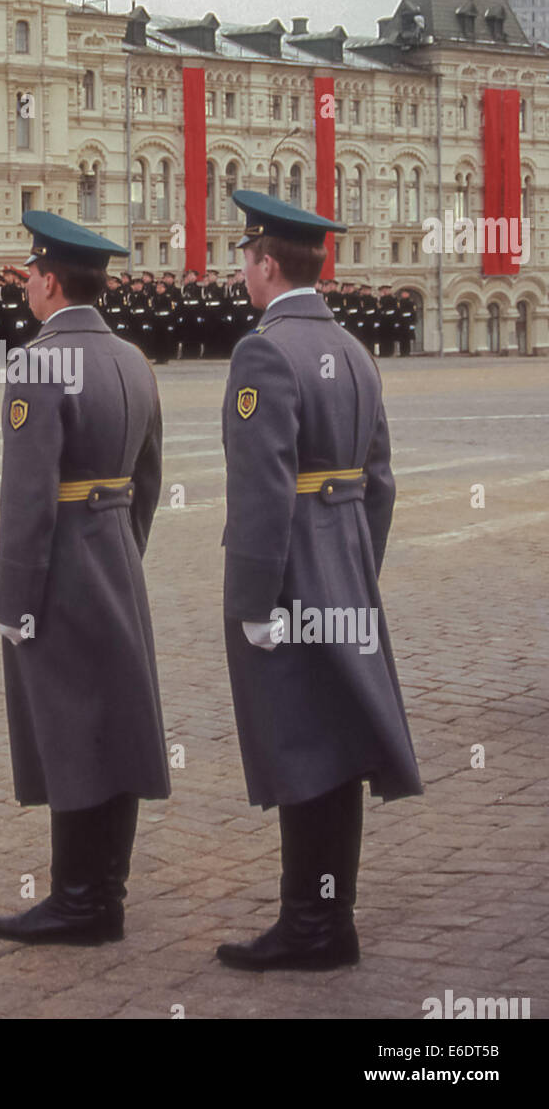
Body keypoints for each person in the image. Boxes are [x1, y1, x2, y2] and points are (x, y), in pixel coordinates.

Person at [216, 190, 422, 970]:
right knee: (335, 742)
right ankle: (328, 919)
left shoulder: (263, 351)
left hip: (292, 571)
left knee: (300, 740)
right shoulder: (357, 349)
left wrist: (254, 601)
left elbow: (263, 490)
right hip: (342, 563)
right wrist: (355, 564)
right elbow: (382, 481)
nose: (242, 270)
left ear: (267, 264)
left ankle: (311, 926)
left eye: (246, 257)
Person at [0, 210, 170, 946]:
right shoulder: (133, 358)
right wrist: (122, 546)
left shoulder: (36, 361)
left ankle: (76, 899)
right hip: (116, 551)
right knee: (116, 721)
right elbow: (150, 478)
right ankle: (106, 891)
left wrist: (12, 599)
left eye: (31, 272)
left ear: (52, 280)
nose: (26, 283)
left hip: (61, 558)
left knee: (68, 726)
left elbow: (27, 496)